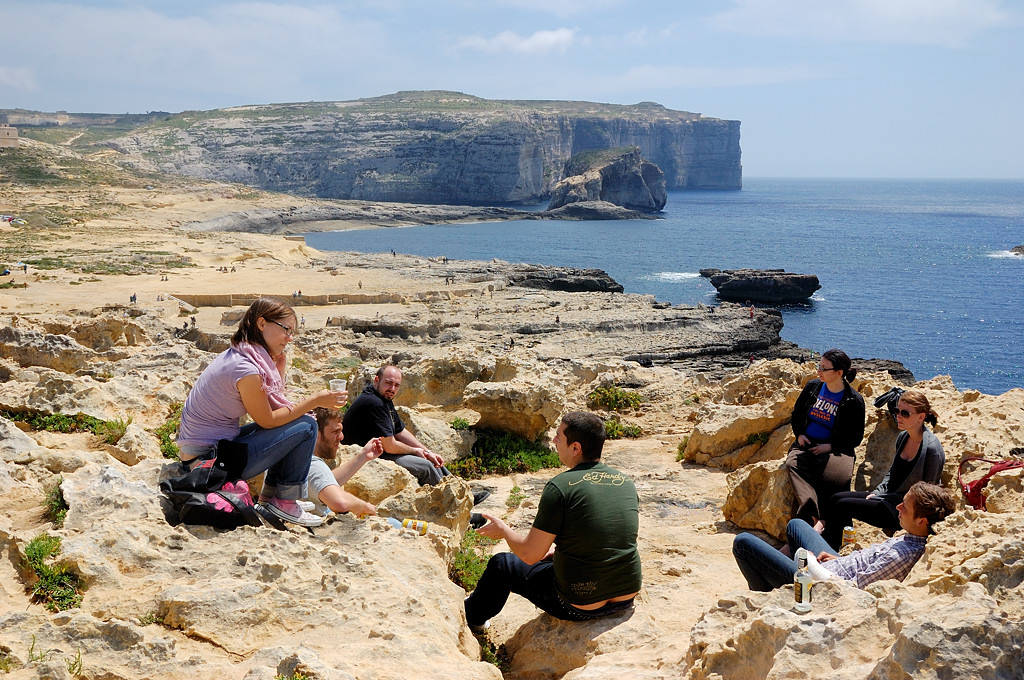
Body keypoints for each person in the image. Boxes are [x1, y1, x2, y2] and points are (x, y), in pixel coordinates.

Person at [176, 296, 347, 527]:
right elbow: (268, 420)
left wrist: (280, 370)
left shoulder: (242, 353)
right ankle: (285, 500)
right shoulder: (247, 369)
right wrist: (316, 400)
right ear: (261, 323)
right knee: (307, 426)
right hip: (207, 463)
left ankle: (272, 498)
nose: (290, 337)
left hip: (209, 450)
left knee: (297, 423)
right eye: (286, 329)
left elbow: (275, 412)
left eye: (293, 331)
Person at [464, 412, 642, 629]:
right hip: (626, 596)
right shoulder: (625, 482)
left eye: (558, 436)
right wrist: (559, 554)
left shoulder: (561, 486)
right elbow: (607, 534)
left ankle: (473, 620)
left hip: (578, 604)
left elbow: (530, 555)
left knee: (502, 564)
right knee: (549, 558)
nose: (554, 441)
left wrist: (503, 531)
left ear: (575, 448)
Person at [732, 481, 954, 591]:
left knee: (744, 543)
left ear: (921, 521)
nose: (897, 507)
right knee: (797, 525)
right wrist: (839, 560)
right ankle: (778, 581)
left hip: (819, 585)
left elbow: (848, 592)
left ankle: (769, 597)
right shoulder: (910, 536)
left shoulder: (902, 556)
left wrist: (808, 563)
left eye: (904, 506)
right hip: (836, 567)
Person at [820, 389, 944, 549]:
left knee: (842, 505)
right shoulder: (903, 437)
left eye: (905, 413)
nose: (898, 416)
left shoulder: (932, 449)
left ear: (921, 417)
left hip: (902, 509)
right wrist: (878, 493)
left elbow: (930, 492)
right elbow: (892, 473)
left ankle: (832, 549)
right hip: (887, 497)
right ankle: (838, 546)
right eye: (896, 411)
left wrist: (907, 515)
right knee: (835, 498)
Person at [785, 348, 866, 526]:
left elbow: (855, 437)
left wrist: (830, 446)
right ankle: (815, 517)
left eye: (823, 368)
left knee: (836, 478)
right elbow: (797, 414)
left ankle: (832, 525)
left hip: (837, 449)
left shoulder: (853, 400)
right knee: (792, 465)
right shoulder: (812, 387)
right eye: (819, 366)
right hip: (807, 443)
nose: (818, 371)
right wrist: (799, 435)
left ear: (839, 373)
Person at [305, 407, 382, 516]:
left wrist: (363, 455)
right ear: (316, 434)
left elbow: (323, 481)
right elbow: (340, 503)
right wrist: (365, 506)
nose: (341, 437)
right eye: (335, 432)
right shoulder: (313, 464)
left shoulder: (302, 456)